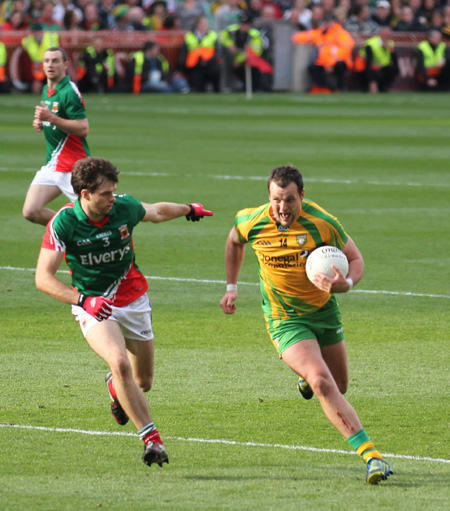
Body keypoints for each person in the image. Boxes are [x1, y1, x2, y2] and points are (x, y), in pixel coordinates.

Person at [219, 164, 393, 485]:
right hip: (284, 318)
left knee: (338, 386)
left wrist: (348, 284)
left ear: (302, 195)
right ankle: (372, 457)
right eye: (275, 200)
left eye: (289, 200)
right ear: (268, 197)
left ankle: (305, 378)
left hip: (324, 312)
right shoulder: (251, 221)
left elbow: (355, 258)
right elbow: (234, 241)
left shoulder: (323, 224)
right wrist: (231, 287)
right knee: (323, 383)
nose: (282, 208)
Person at [35, 156, 213, 468]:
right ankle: (152, 439)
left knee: (142, 381)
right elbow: (43, 278)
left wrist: (188, 209)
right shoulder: (64, 223)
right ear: (85, 194)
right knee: (119, 362)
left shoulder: (123, 208)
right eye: (105, 193)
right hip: (94, 304)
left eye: (114, 191)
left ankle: (115, 387)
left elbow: (156, 211)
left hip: (134, 300)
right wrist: (82, 301)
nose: (112, 198)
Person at [23, 47, 90, 225]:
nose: (50, 65)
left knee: (97, 213)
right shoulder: (47, 89)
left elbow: (83, 128)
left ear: (65, 64)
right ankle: (70, 229)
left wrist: (50, 118)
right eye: (46, 61)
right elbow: (55, 120)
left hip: (72, 167)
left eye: (55, 61)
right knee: (31, 211)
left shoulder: (69, 92)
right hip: (52, 165)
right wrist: (43, 123)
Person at [292, 12, 354, 93]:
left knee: (340, 66)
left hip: (338, 62)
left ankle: (340, 88)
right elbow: (307, 36)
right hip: (324, 63)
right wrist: (293, 38)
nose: (328, 23)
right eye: (326, 21)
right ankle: (326, 88)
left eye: (330, 21)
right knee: (312, 68)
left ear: (335, 22)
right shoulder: (320, 32)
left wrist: (331, 63)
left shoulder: (341, 33)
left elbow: (345, 49)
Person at [219, 13, 264, 91]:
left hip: (247, 60)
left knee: (254, 68)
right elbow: (221, 37)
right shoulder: (231, 30)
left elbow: (255, 52)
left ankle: (255, 88)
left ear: (250, 25)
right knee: (226, 59)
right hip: (232, 59)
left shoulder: (255, 35)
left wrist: (239, 60)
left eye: (246, 24)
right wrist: (230, 44)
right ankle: (227, 86)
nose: (243, 26)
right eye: (242, 24)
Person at [179, 15, 221, 92]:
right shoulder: (189, 36)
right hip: (195, 64)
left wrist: (208, 61)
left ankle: (216, 91)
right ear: (197, 25)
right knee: (197, 83)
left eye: (206, 24)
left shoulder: (213, 35)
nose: (205, 26)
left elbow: (218, 52)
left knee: (216, 71)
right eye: (202, 24)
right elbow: (184, 53)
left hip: (210, 63)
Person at [354, 26, 399, 93]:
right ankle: (370, 87)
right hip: (364, 68)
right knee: (374, 73)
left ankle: (383, 87)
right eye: (385, 34)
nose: (386, 37)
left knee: (394, 69)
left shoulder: (390, 43)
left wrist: (390, 50)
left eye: (388, 35)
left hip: (379, 67)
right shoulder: (371, 44)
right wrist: (372, 81)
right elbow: (368, 64)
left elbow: (395, 61)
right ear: (380, 34)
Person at [21, 23, 60, 93]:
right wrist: (34, 79)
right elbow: (25, 61)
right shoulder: (27, 41)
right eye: (34, 32)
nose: (36, 34)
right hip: (35, 69)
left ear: (42, 32)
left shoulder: (51, 38)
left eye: (38, 31)